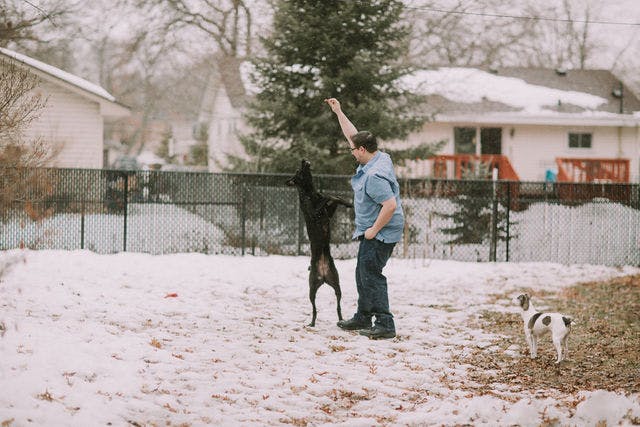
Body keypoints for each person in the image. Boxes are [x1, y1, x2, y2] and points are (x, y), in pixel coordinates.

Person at [325, 98, 404, 340]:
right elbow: (353, 135)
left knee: (371, 274)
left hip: (381, 231)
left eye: (353, 149)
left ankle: (385, 323)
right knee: (362, 271)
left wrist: (373, 230)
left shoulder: (375, 175)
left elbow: (389, 206)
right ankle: (363, 316)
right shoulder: (380, 156)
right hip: (374, 229)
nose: (351, 151)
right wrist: (339, 111)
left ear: (362, 150)